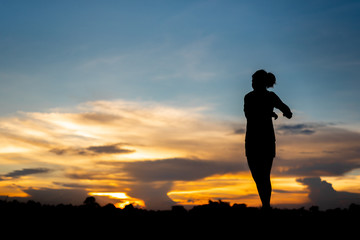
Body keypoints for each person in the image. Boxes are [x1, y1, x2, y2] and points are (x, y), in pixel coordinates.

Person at [244, 69, 292, 209]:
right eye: (252, 81)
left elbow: (285, 109)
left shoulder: (270, 96)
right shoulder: (249, 97)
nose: (253, 83)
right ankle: (266, 206)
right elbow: (250, 115)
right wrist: (270, 112)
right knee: (258, 177)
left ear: (262, 82)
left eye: (255, 81)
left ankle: (266, 206)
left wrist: (285, 113)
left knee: (263, 175)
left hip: (265, 141)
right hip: (253, 141)